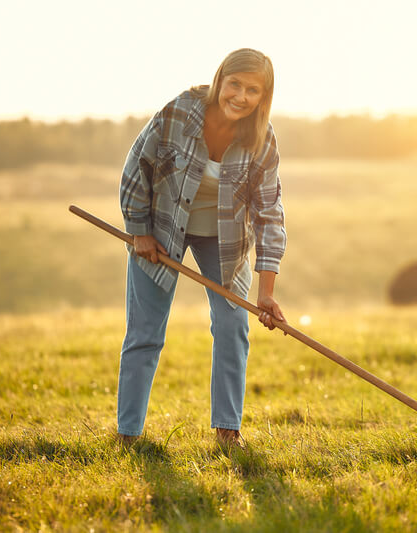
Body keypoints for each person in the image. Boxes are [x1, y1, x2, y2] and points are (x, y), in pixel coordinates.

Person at [117, 48, 286, 448]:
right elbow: (135, 169)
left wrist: (266, 294)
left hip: (223, 240)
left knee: (233, 326)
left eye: (252, 90)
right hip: (161, 230)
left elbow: (269, 214)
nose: (241, 96)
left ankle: (228, 430)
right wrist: (138, 230)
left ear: (264, 97)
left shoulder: (262, 139)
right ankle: (129, 434)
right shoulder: (179, 112)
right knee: (145, 331)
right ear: (219, 81)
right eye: (234, 84)